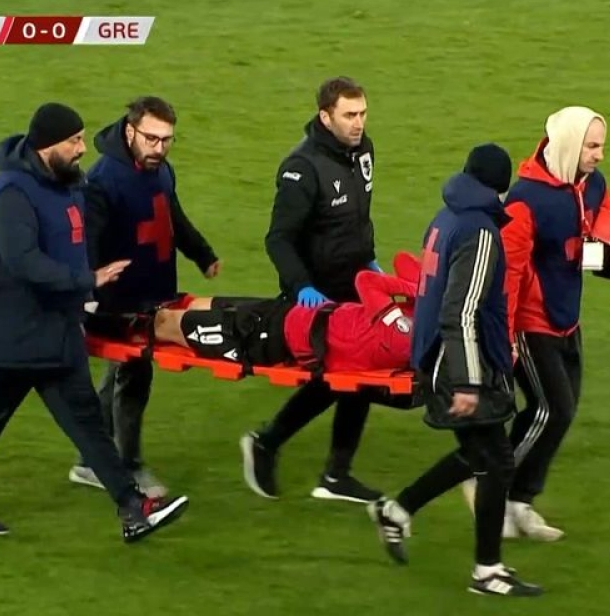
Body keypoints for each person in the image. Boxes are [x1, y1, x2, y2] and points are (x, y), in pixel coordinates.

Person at [0, 102, 189, 543]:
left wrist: (86, 302)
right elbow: (24, 263)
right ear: (47, 145)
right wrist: (88, 280)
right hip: (11, 337)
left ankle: (133, 508)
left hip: (57, 333)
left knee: (90, 428)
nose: (81, 148)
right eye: (73, 141)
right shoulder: (11, 193)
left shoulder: (70, 185)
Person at [367, 144, 543, 597]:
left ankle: (396, 511)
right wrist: (467, 381)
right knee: (497, 461)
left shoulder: (445, 218)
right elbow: (461, 310)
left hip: (434, 357)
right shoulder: (480, 231)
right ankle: (488, 572)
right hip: (460, 363)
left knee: (479, 456)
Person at [466, 105, 610, 542]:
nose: (600, 155)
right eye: (592, 146)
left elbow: (609, 222)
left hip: (566, 319)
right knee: (553, 409)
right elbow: (507, 275)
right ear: (569, 145)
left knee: (557, 414)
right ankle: (487, 482)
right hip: (532, 323)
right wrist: (505, 338)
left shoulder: (590, 184)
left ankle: (518, 501)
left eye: (601, 146)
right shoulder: (526, 201)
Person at [67, 96, 220, 497]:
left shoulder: (161, 170)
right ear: (130, 131)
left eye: (166, 140)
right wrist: (87, 298)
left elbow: (172, 218)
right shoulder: (102, 181)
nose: (159, 148)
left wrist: (202, 254)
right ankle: (128, 465)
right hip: (118, 302)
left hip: (153, 293)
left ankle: (91, 460)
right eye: (151, 139)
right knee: (135, 376)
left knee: (121, 374)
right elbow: (89, 245)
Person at [241, 76, 385, 503]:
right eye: (349, 115)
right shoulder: (301, 168)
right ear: (325, 116)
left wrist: (369, 262)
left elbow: (358, 218)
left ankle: (330, 471)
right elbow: (278, 239)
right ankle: (277, 446)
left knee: (360, 374)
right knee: (347, 375)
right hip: (318, 295)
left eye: (362, 113)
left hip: (354, 285)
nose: (358, 123)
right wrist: (302, 287)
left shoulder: (362, 151)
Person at [137, 268, 415, 376]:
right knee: (195, 304)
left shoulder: (404, 333)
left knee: (163, 324)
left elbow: (365, 280)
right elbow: (404, 261)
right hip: (287, 316)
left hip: (271, 339)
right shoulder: (415, 319)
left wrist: (417, 290)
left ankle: (118, 321)